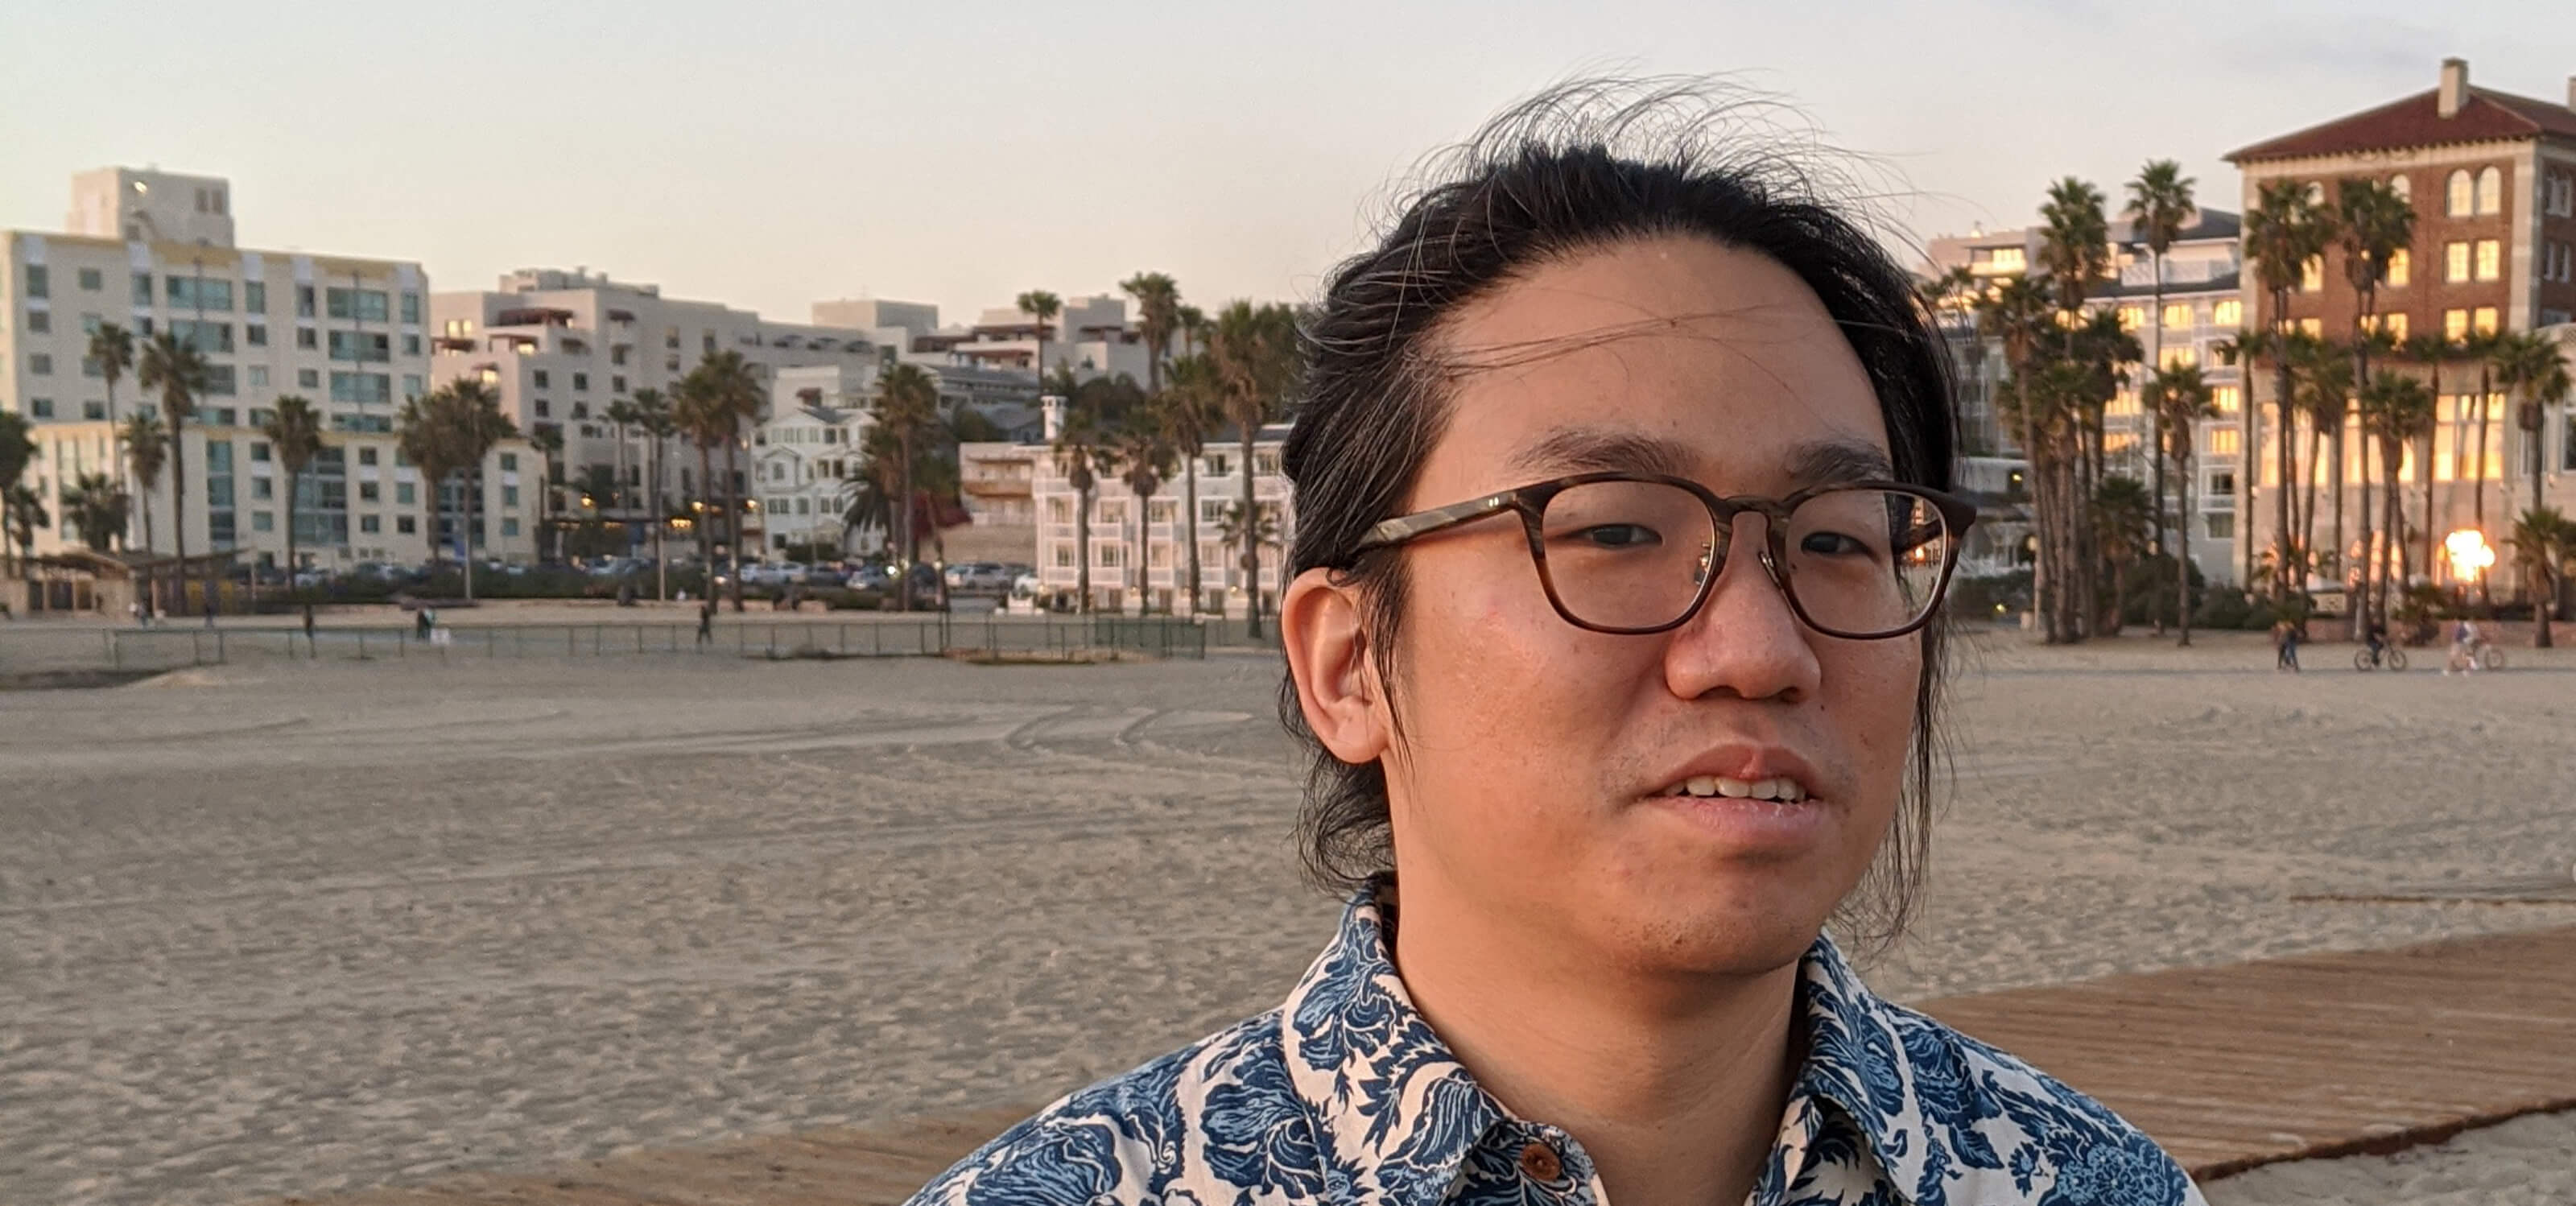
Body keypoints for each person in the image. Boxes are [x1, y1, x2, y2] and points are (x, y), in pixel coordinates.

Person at [908, 81, 2202, 1206]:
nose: (1758, 648)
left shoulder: (2087, 1184)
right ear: (1349, 663)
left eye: (1838, 540)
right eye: (1615, 531)